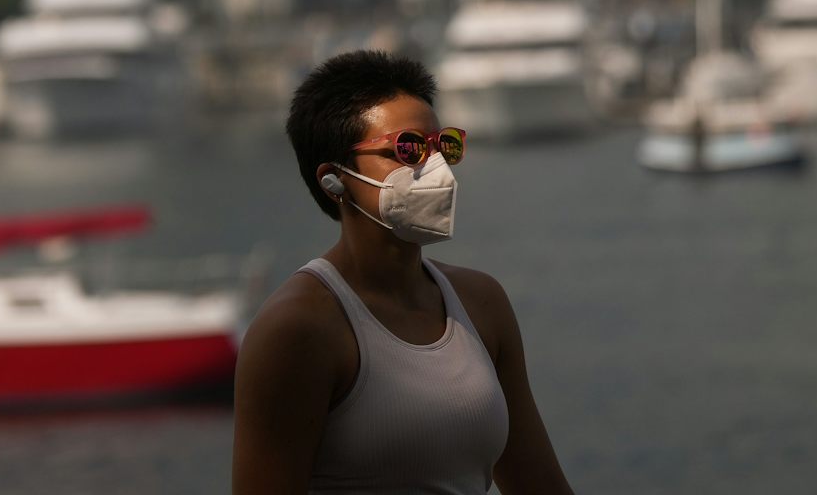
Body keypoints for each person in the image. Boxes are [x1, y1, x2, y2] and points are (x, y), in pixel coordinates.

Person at [232, 50, 576, 495]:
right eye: (408, 149)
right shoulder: (298, 329)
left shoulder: (481, 303)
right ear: (333, 179)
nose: (436, 169)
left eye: (444, 146)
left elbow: (540, 484)